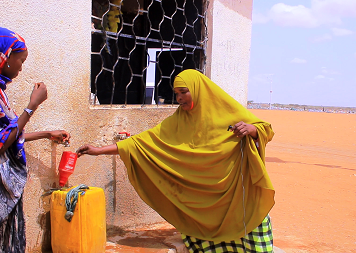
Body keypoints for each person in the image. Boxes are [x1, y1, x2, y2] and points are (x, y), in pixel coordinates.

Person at [77, 69, 275, 252]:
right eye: (176, 93)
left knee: (249, 227)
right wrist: (99, 151)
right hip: (204, 196)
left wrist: (252, 130)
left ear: (198, 90)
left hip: (235, 191)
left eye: (184, 92)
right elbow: (140, 144)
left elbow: (265, 128)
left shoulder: (227, 110)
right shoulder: (178, 121)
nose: (179, 98)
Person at [0, 27, 71, 252]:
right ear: (4, 55)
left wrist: (46, 134)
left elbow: (6, 135)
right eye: (20, 60)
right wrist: (32, 106)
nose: (21, 67)